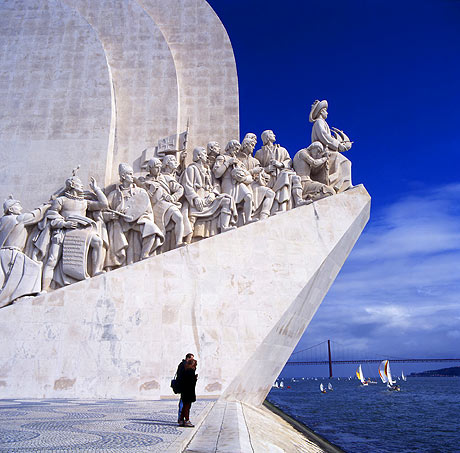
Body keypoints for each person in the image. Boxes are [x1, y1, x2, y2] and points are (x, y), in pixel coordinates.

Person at [41, 174, 108, 290]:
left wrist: (96, 189)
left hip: (81, 231)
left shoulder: (84, 202)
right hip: (63, 231)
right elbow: (51, 215)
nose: (82, 185)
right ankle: (44, 289)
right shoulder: (61, 200)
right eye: (79, 183)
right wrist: (63, 223)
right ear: (72, 185)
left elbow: (104, 204)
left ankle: (96, 270)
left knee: (98, 242)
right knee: (52, 259)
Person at [104, 163, 164, 269]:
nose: (133, 177)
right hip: (121, 223)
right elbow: (104, 212)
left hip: (137, 220)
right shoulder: (113, 194)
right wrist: (110, 216)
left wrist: (141, 216)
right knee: (116, 231)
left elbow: (147, 209)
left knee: (152, 229)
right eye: (130, 174)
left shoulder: (140, 191)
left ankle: (144, 255)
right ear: (123, 176)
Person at [0, 196, 49, 307]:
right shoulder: (16, 219)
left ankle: (16, 296)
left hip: (3, 252)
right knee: (34, 268)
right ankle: (19, 295)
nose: (21, 207)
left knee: (8, 277)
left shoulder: (3, 220)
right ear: (11, 209)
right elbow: (35, 216)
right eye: (17, 205)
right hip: (13, 252)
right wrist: (47, 204)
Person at [309, 99, 353, 193]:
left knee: (345, 161)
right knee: (345, 161)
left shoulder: (323, 123)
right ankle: (341, 185)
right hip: (322, 152)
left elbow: (327, 137)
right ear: (321, 112)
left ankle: (343, 184)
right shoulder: (318, 122)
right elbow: (324, 136)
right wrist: (339, 146)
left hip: (327, 151)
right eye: (325, 110)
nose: (327, 113)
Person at [178, 357, 198, 427]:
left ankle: (181, 420)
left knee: (184, 407)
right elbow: (191, 383)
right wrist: (195, 379)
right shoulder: (191, 371)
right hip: (189, 392)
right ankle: (187, 420)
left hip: (184, 391)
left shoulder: (185, 370)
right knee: (187, 407)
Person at [175, 353, 194, 424]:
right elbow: (183, 376)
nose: (193, 360)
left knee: (184, 402)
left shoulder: (182, 364)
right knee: (184, 403)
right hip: (184, 386)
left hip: (184, 386)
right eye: (192, 358)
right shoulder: (184, 365)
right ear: (188, 358)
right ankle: (182, 419)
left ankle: (181, 419)